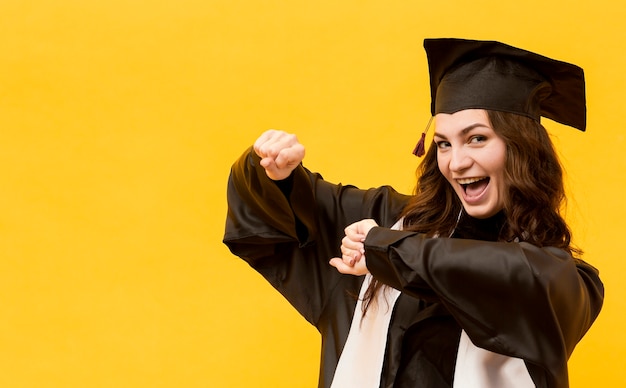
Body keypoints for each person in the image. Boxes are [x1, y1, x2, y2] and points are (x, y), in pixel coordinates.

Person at [223, 38, 604, 388]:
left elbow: (498, 274)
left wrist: (384, 250)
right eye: (442, 144)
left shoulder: (562, 279)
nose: (456, 163)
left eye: (477, 138)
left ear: (521, 148)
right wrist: (275, 172)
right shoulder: (390, 217)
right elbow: (283, 212)